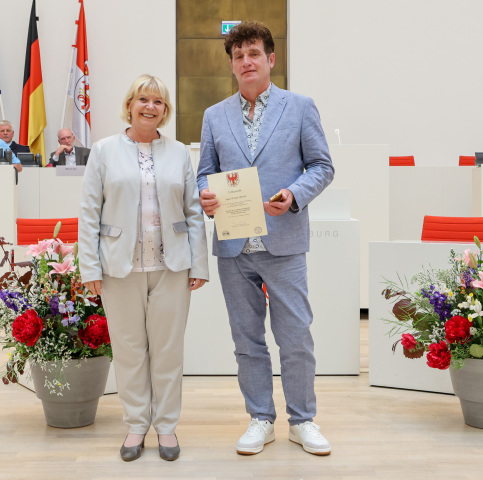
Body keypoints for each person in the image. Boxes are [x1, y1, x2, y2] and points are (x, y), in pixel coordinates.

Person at [196, 21, 335, 456]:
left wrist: (294, 194)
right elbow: (204, 172)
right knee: (247, 340)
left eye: (254, 53)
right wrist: (205, 196)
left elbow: (322, 166)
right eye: (238, 57)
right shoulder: (214, 115)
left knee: (295, 337)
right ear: (232, 66)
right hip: (234, 249)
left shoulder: (300, 107)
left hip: (283, 243)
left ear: (270, 59)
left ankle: (303, 420)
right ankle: (260, 418)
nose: (247, 62)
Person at [78, 74, 209, 462]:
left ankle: (166, 427)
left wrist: (198, 262)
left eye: (159, 102)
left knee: (168, 351)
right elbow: (88, 214)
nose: (150, 107)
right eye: (143, 100)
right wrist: (90, 269)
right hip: (119, 269)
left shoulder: (180, 153)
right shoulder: (103, 151)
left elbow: (193, 212)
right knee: (130, 349)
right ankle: (136, 424)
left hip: (172, 267)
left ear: (165, 111)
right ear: (130, 104)